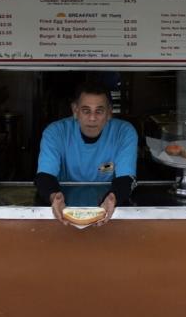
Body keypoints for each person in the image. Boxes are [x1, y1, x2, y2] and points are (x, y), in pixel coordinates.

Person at [34, 81, 137, 227]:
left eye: (99, 111)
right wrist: (54, 197)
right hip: (65, 209)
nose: (92, 118)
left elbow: (127, 178)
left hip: (107, 209)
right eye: (86, 110)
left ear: (109, 112)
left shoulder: (124, 132)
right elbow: (44, 176)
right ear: (75, 110)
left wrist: (113, 198)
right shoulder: (55, 132)